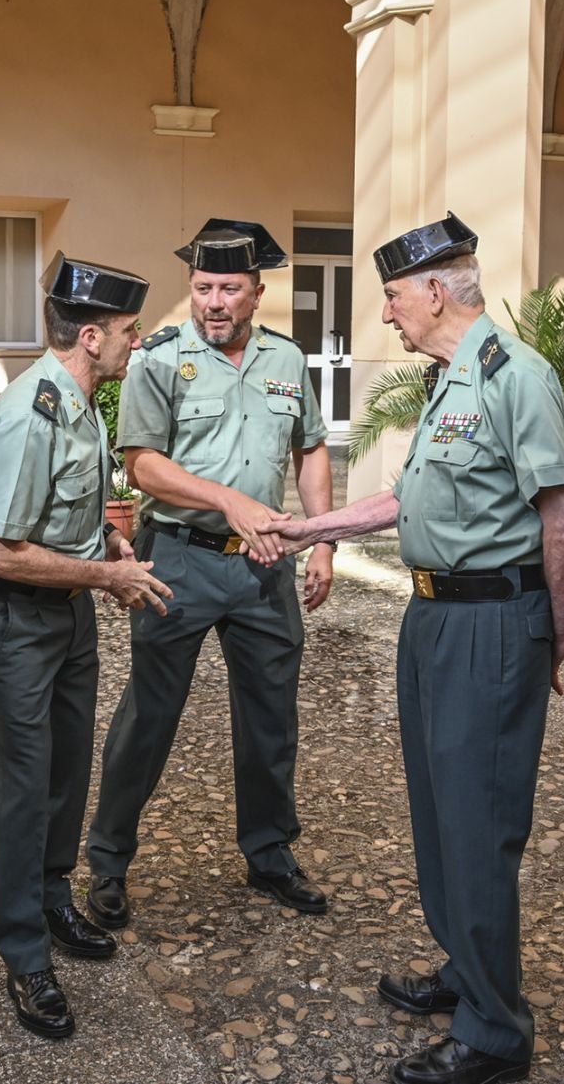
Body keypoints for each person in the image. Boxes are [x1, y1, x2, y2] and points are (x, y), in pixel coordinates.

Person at [263, 214, 564, 1084]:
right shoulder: (451, 379)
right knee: (442, 813)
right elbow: (402, 500)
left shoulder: (517, 374)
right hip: (434, 617)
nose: (388, 311)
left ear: (438, 290)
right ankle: (468, 970)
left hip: (491, 622)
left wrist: (555, 634)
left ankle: (495, 1031)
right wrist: (309, 526)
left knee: (479, 824)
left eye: (396, 294)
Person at [84, 218, 335, 930]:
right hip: (182, 558)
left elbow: (311, 447)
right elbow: (142, 462)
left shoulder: (287, 359)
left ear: (257, 293)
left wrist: (320, 543)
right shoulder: (160, 357)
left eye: (229, 288)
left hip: (264, 568)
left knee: (271, 718)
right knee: (149, 716)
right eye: (202, 287)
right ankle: (107, 858)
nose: (213, 301)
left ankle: (270, 851)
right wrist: (228, 500)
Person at [0, 253, 171, 1041]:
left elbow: (62, 510)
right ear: (89, 335)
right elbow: (1, 553)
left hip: (68, 604)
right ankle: (22, 951)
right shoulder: (31, 411)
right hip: (15, 614)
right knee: (20, 780)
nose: (134, 342)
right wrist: (105, 577)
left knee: (66, 763)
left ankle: (51, 896)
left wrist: (109, 548)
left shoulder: (82, 401)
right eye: (125, 331)